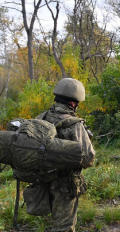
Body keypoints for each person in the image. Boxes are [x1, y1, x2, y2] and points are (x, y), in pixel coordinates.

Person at [36, 78, 95, 231]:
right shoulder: (74, 124)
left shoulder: (40, 118)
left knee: (54, 223)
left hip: (41, 180)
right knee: (64, 227)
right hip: (65, 184)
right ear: (74, 103)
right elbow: (89, 159)